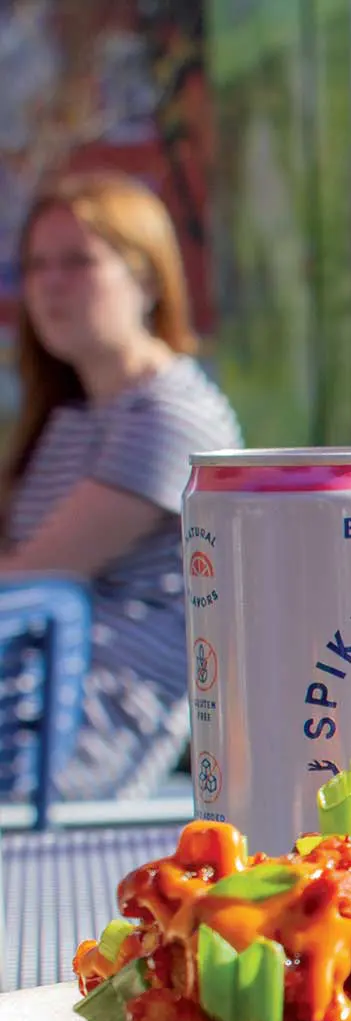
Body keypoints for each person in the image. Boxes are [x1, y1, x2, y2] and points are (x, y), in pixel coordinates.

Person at [0, 171, 240, 800]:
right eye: (36, 264)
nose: (50, 284)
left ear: (149, 277)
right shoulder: (70, 413)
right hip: (27, 695)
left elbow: (31, 576)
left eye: (78, 261)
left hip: (81, 728)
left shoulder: (168, 414)